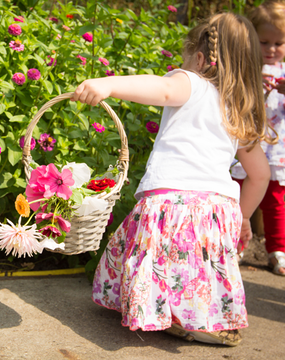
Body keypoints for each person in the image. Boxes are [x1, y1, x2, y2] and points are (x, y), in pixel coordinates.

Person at [71, 13, 273, 346]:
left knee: (161, 256)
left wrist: (109, 84)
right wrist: (243, 217)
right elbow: (260, 175)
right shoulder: (241, 109)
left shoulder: (193, 82)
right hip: (216, 209)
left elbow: (163, 89)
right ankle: (200, 319)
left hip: (172, 200)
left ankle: (162, 311)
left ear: (199, 58)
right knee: (196, 266)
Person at [231, 0, 285, 276]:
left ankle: (278, 249)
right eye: (264, 42)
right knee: (237, 195)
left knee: (275, 202)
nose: (271, 49)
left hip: (276, 151)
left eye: (279, 43)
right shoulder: (245, 68)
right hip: (244, 146)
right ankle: (234, 243)